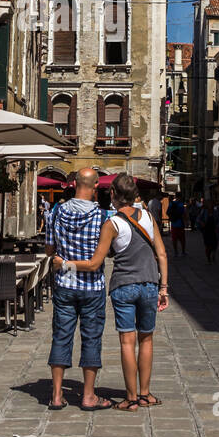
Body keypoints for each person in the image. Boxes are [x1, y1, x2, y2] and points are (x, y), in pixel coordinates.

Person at [57, 174, 169, 411]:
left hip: (123, 287)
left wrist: (66, 264)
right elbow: (161, 254)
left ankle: (130, 398)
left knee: (127, 342)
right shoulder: (149, 217)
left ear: (114, 196)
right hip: (150, 284)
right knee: (146, 339)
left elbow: (96, 263)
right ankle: (145, 394)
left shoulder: (111, 223)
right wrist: (164, 287)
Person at [45, 168, 112, 412]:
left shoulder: (56, 211)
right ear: (95, 187)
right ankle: (88, 396)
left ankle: (55, 395)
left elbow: (50, 250)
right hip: (92, 285)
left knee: (61, 335)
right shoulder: (103, 216)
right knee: (91, 338)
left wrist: (65, 257)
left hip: (65, 284)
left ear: (74, 184)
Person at [200, 198, 219, 264]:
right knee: (208, 245)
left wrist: (217, 227)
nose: (210, 205)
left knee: (214, 244)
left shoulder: (216, 212)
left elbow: (218, 220)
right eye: (209, 204)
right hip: (206, 230)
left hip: (213, 230)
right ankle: (208, 259)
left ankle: (213, 255)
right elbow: (198, 219)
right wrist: (202, 223)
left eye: (212, 204)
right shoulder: (204, 211)